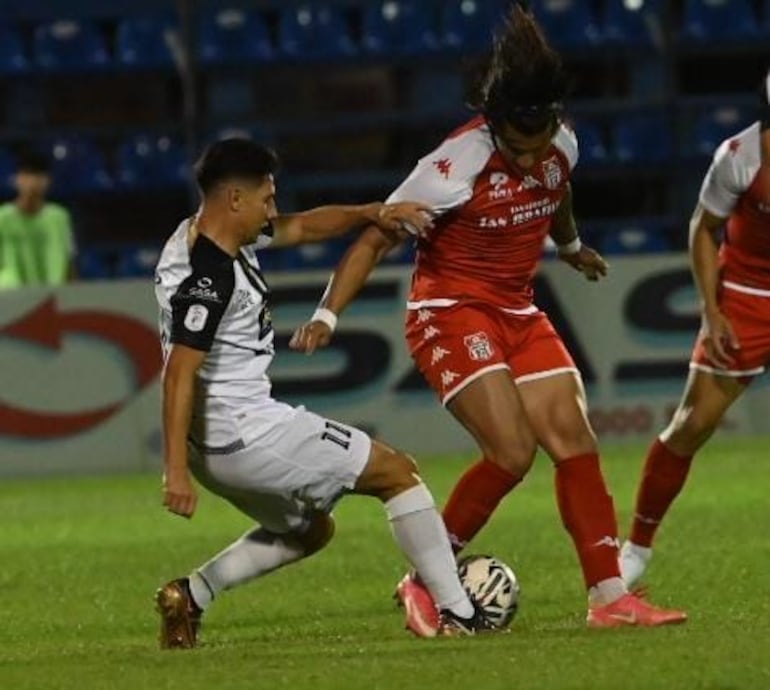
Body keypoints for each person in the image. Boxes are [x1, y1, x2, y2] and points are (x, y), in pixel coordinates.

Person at [290, 6, 686, 628]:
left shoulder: (560, 147)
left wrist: (570, 245)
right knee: (510, 451)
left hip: (516, 309)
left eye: (538, 144)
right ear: (496, 126)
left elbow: (557, 194)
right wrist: (328, 315)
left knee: (574, 440)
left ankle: (610, 600)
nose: (529, 160)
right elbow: (374, 236)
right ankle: (425, 582)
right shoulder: (453, 166)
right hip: (448, 311)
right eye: (517, 148)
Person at [153, 137, 497, 649]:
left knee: (310, 531)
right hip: (247, 435)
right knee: (397, 474)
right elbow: (179, 373)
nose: (273, 209)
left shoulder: (195, 237)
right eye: (266, 198)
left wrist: (374, 212)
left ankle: (192, 594)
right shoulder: (211, 277)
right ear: (234, 199)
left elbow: (305, 224)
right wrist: (174, 471)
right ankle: (459, 612)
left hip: (215, 447)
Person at [620, 73, 770, 585]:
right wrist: (713, 310)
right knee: (691, 425)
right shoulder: (740, 156)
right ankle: (636, 548)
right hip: (748, 295)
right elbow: (703, 229)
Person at [0, 150, 76, 289]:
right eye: (27, 175)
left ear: (47, 181)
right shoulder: (2, 218)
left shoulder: (60, 217)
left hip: (52, 295)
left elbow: (69, 260)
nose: (33, 181)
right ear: (17, 179)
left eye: (39, 175)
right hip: (10, 298)